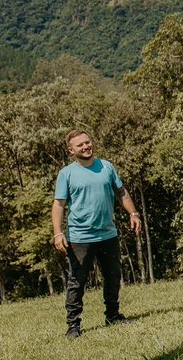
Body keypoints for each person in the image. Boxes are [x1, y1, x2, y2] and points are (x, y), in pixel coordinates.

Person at [52, 130, 141, 338]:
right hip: (79, 237)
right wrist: (58, 233)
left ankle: (113, 315)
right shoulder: (67, 173)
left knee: (113, 276)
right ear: (71, 150)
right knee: (77, 281)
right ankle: (73, 325)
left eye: (87, 142)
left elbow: (121, 191)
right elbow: (59, 204)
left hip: (108, 234)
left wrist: (133, 213)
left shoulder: (106, 166)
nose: (85, 147)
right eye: (80, 145)